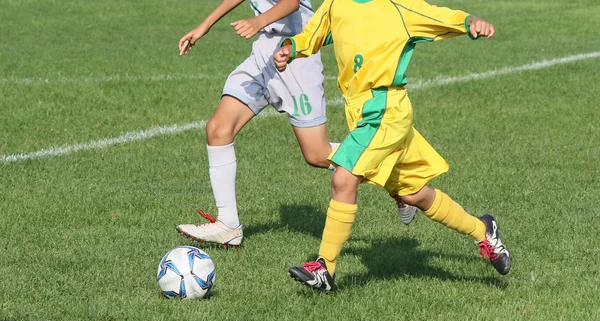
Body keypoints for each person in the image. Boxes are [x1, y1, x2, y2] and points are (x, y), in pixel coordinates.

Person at [274, 0, 511, 291]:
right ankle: (483, 230)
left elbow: (437, 16)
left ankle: (325, 268)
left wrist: (469, 21)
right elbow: (314, 34)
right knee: (414, 195)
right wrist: (292, 48)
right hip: (360, 112)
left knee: (343, 177)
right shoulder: (336, 3)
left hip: (386, 109)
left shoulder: (398, 6)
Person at [175, 0, 417, 248]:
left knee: (317, 154)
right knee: (218, 129)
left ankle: (397, 178)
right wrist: (204, 26)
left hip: (295, 53)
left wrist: (258, 20)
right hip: (264, 52)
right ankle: (228, 225)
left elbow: (291, 2)